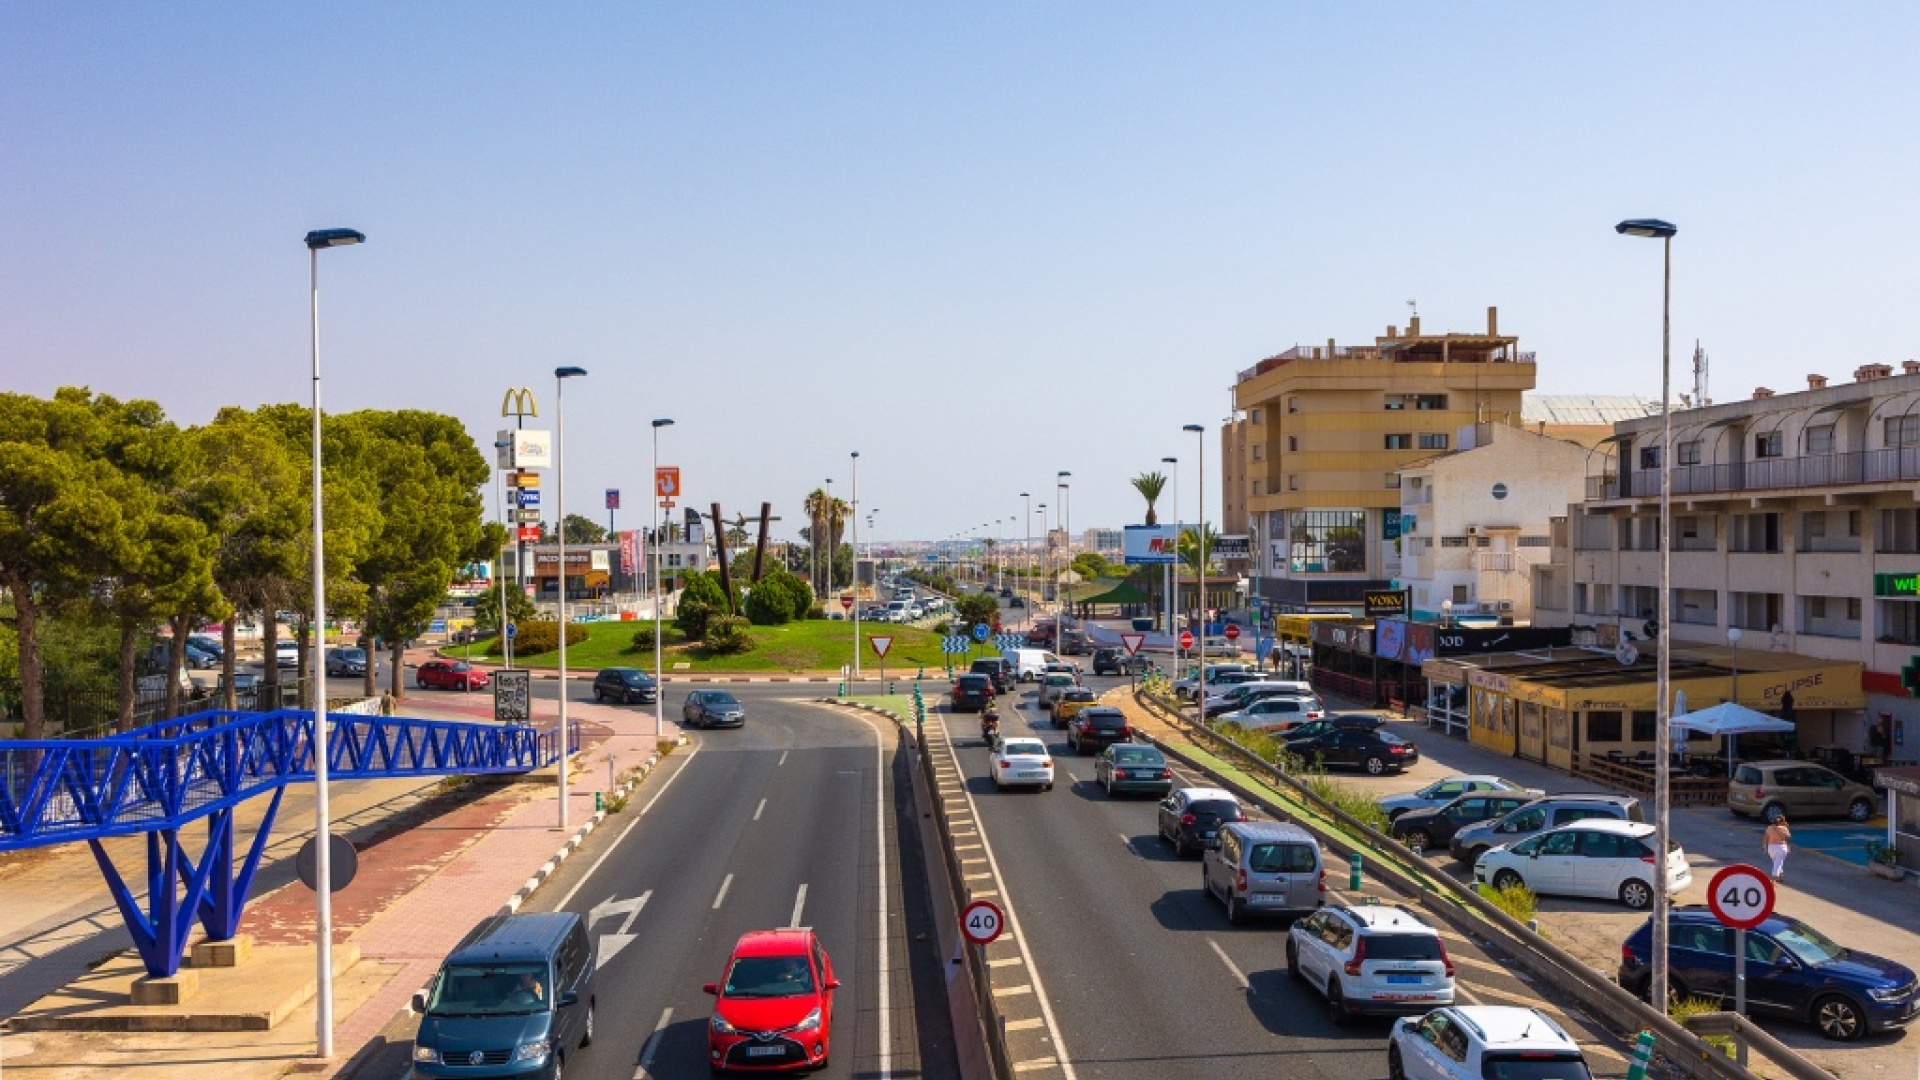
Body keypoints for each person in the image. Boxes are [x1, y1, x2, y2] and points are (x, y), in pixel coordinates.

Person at [1764, 815, 1792, 881]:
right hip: (1781, 847)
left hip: (1771, 848)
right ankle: (1774, 878)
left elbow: (1766, 837)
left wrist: (1764, 846)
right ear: (1782, 821)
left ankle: (1780, 876)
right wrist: (1786, 826)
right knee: (1778, 863)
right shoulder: (1783, 828)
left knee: (1776, 862)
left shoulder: (1769, 828)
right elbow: (1789, 836)